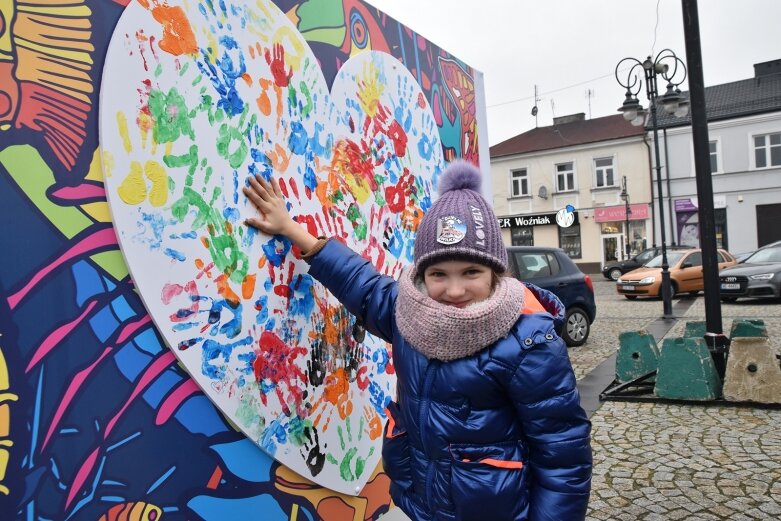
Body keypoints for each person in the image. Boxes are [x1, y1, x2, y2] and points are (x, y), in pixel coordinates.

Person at [244, 160, 592, 521]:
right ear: (423, 276)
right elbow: (360, 285)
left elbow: (563, 456)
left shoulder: (527, 343)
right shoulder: (408, 312)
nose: (454, 290)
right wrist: (291, 229)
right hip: (422, 504)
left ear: (495, 272)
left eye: (471, 272)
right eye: (439, 274)